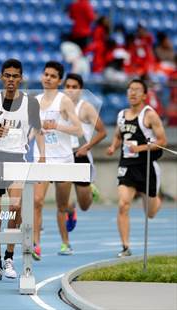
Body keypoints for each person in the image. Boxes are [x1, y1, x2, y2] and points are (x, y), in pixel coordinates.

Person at [0, 59, 44, 281]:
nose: (11, 79)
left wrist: (42, 156)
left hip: (17, 159)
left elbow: (39, 131)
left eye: (15, 76)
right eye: (7, 75)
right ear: (1, 77)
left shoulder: (30, 103)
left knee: (15, 209)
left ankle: (10, 258)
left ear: (21, 78)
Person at [106, 79, 167, 257]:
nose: (132, 93)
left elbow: (162, 141)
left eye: (137, 90)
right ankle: (125, 247)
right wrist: (112, 147)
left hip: (146, 166)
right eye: (130, 89)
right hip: (127, 166)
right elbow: (119, 135)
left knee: (151, 213)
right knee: (123, 204)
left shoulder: (149, 115)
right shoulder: (121, 115)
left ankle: (157, 198)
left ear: (145, 95)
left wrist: (140, 148)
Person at [30, 61, 83, 259]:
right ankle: (35, 244)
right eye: (46, 74)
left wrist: (57, 126)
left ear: (59, 80)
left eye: (53, 76)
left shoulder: (64, 101)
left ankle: (65, 241)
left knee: (61, 206)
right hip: (42, 158)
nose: (48, 78)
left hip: (63, 159)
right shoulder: (34, 101)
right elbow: (36, 130)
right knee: (37, 201)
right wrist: (40, 153)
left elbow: (78, 130)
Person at [63, 73, 107, 231]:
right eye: (67, 87)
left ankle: (90, 189)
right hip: (63, 157)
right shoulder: (58, 105)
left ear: (80, 90)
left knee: (85, 206)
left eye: (74, 87)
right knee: (62, 199)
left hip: (81, 156)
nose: (70, 90)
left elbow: (102, 132)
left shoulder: (86, 108)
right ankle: (70, 210)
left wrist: (86, 147)